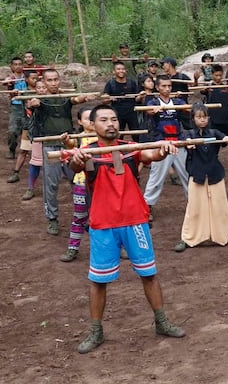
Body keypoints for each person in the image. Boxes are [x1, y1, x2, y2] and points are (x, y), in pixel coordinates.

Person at [67, 105, 185, 353]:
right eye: (103, 120)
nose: (110, 123)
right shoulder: (86, 153)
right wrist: (75, 158)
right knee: (98, 281)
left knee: (149, 274)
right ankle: (96, 331)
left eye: (114, 119)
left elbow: (152, 156)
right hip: (102, 224)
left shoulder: (131, 149)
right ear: (92, 125)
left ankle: (161, 322)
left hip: (135, 222)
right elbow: (75, 166)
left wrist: (163, 150)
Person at [26, 69, 95, 235]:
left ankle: (87, 216)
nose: (53, 83)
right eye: (49, 80)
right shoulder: (40, 99)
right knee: (51, 184)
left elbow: (75, 99)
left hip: (69, 145)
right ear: (44, 82)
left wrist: (84, 97)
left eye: (56, 79)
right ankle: (52, 218)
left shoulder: (64, 98)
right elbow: (32, 104)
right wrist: (32, 104)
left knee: (78, 180)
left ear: (60, 80)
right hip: (50, 145)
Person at [174, 103, 228, 252]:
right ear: (193, 118)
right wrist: (189, 144)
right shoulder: (189, 134)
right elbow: (184, 141)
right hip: (197, 174)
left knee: (221, 206)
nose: (202, 120)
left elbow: (224, 137)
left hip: (215, 173)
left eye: (204, 117)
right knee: (194, 207)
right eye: (199, 117)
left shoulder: (214, 132)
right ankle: (187, 238)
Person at [142, 75, 190, 220]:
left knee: (188, 175)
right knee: (156, 177)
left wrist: (183, 107)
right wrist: (154, 110)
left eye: (169, 86)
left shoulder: (177, 101)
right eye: (164, 86)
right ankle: (147, 206)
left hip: (178, 142)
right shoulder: (153, 102)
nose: (167, 89)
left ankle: (195, 203)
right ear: (157, 87)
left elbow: (188, 109)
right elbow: (148, 111)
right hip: (161, 143)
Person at [60, 106, 96, 263]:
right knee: (80, 216)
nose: (91, 122)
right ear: (80, 121)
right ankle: (72, 248)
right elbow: (70, 145)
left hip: (100, 183)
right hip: (81, 183)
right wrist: (67, 142)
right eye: (87, 118)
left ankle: (118, 247)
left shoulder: (104, 138)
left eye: (94, 118)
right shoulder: (79, 138)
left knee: (106, 216)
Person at [201, 64, 228, 139]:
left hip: (227, 118)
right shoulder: (208, 87)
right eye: (216, 75)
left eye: (220, 75)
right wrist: (206, 88)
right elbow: (202, 91)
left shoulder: (226, 87)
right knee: (213, 141)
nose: (218, 77)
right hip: (214, 120)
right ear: (212, 74)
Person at [21, 74, 46, 201]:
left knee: (62, 161)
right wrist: (34, 104)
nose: (42, 90)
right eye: (39, 88)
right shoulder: (32, 101)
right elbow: (31, 106)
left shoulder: (55, 99)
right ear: (35, 89)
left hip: (54, 134)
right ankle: (30, 188)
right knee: (35, 162)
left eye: (44, 87)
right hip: (38, 134)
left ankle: (73, 185)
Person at [101, 62, 139, 134]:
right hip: (117, 113)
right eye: (118, 69)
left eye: (123, 69)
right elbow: (104, 100)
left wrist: (140, 96)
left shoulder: (132, 82)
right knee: (118, 134)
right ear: (114, 71)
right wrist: (109, 98)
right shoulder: (110, 83)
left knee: (136, 134)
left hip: (132, 112)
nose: (121, 71)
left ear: (126, 71)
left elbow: (137, 98)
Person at [5, 57, 28, 167]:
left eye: (20, 64)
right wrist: (9, 84)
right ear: (12, 66)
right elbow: (5, 83)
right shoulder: (11, 78)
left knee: (29, 128)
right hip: (16, 107)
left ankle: (28, 151)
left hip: (28, 106)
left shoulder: (27, 77)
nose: (18, 66)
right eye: (15, 64)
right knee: (13, 131)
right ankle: (12, 149)